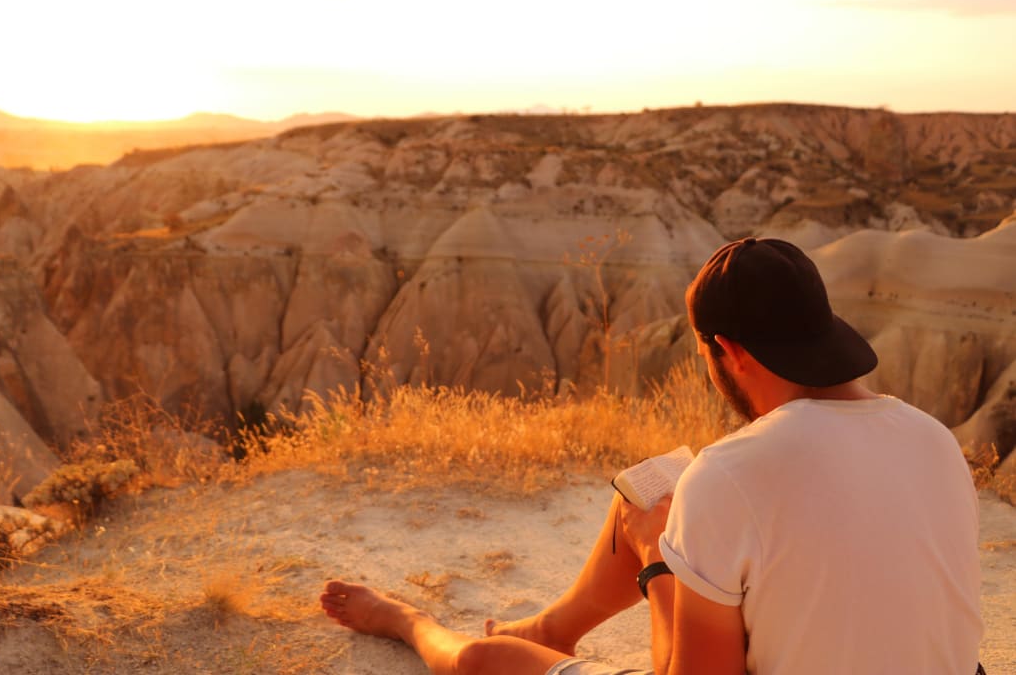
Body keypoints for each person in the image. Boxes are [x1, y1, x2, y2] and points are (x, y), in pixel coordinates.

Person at [320, 236, 983, 675]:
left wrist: (658, 567)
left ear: (733, 354)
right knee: (658, 506)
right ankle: (552, 627)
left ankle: (403, 619)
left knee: (485, 661)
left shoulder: (733, 472)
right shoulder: (935, 441)